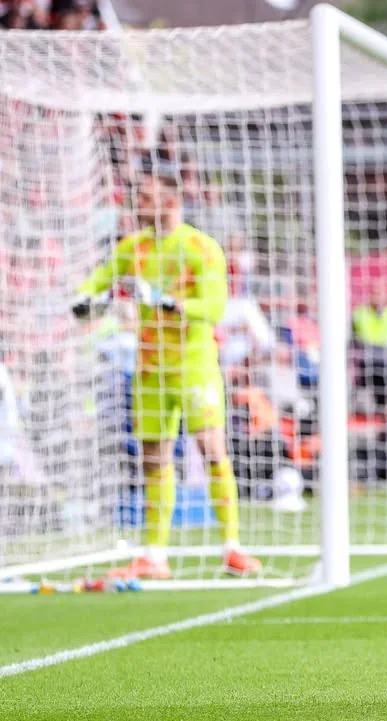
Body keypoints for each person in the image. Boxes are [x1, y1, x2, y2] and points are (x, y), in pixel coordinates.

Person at [71, 174, 261, 579]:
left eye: (148, 197)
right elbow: (101, 277)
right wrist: (86, 298)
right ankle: (155, 555)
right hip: (149, 368)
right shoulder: (133, 247)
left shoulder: (200, 248)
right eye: (138, 196)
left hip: (193, 365)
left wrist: (168, 301)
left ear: (171, 201)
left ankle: (232, 547)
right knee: (153, 458)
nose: (139, 204)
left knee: (211, 447)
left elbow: (213, 306)